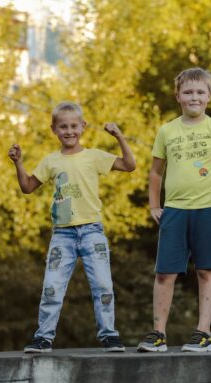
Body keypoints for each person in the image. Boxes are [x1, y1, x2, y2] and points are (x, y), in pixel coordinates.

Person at [137, 67, 211, 353]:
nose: (194, 97)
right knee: (164, 273)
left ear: (209, 96)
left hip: (207, 209)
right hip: (174, 210)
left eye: (200, 92)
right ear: (178, 96)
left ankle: (203, 334)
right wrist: (154, 204)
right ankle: (158, 334)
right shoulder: (167, 130)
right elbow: (155, 173)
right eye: (188, 92)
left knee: (205, 270)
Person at [8, 101, 136, 353]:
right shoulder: (51, 161)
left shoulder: (94, 156)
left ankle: (109, 335)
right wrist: (18, 163)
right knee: (52, 287)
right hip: (62, 235)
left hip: (92, 232)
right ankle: (43, 337)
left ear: (83, 127)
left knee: (102, 285)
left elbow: (129, 165)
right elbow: (27, 187)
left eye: (74, 126)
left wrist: (119, 136)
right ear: (54, 129)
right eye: (63, 126)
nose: (69, 131)